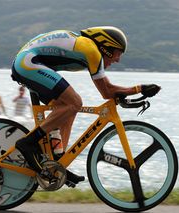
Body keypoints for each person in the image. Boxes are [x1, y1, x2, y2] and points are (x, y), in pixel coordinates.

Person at [11, 26, 160, 187]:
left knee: (67, 108)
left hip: (29, 62)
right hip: (28, 63)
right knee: (75, 103)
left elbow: (109, 91)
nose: (118, 59)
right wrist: (139, 89)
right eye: (118, 52)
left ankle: (58, 164)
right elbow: (107, 91)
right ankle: (28, 143)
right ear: (107, 47)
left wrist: (123, 94)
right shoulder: (91, 50)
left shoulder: (88, 47)